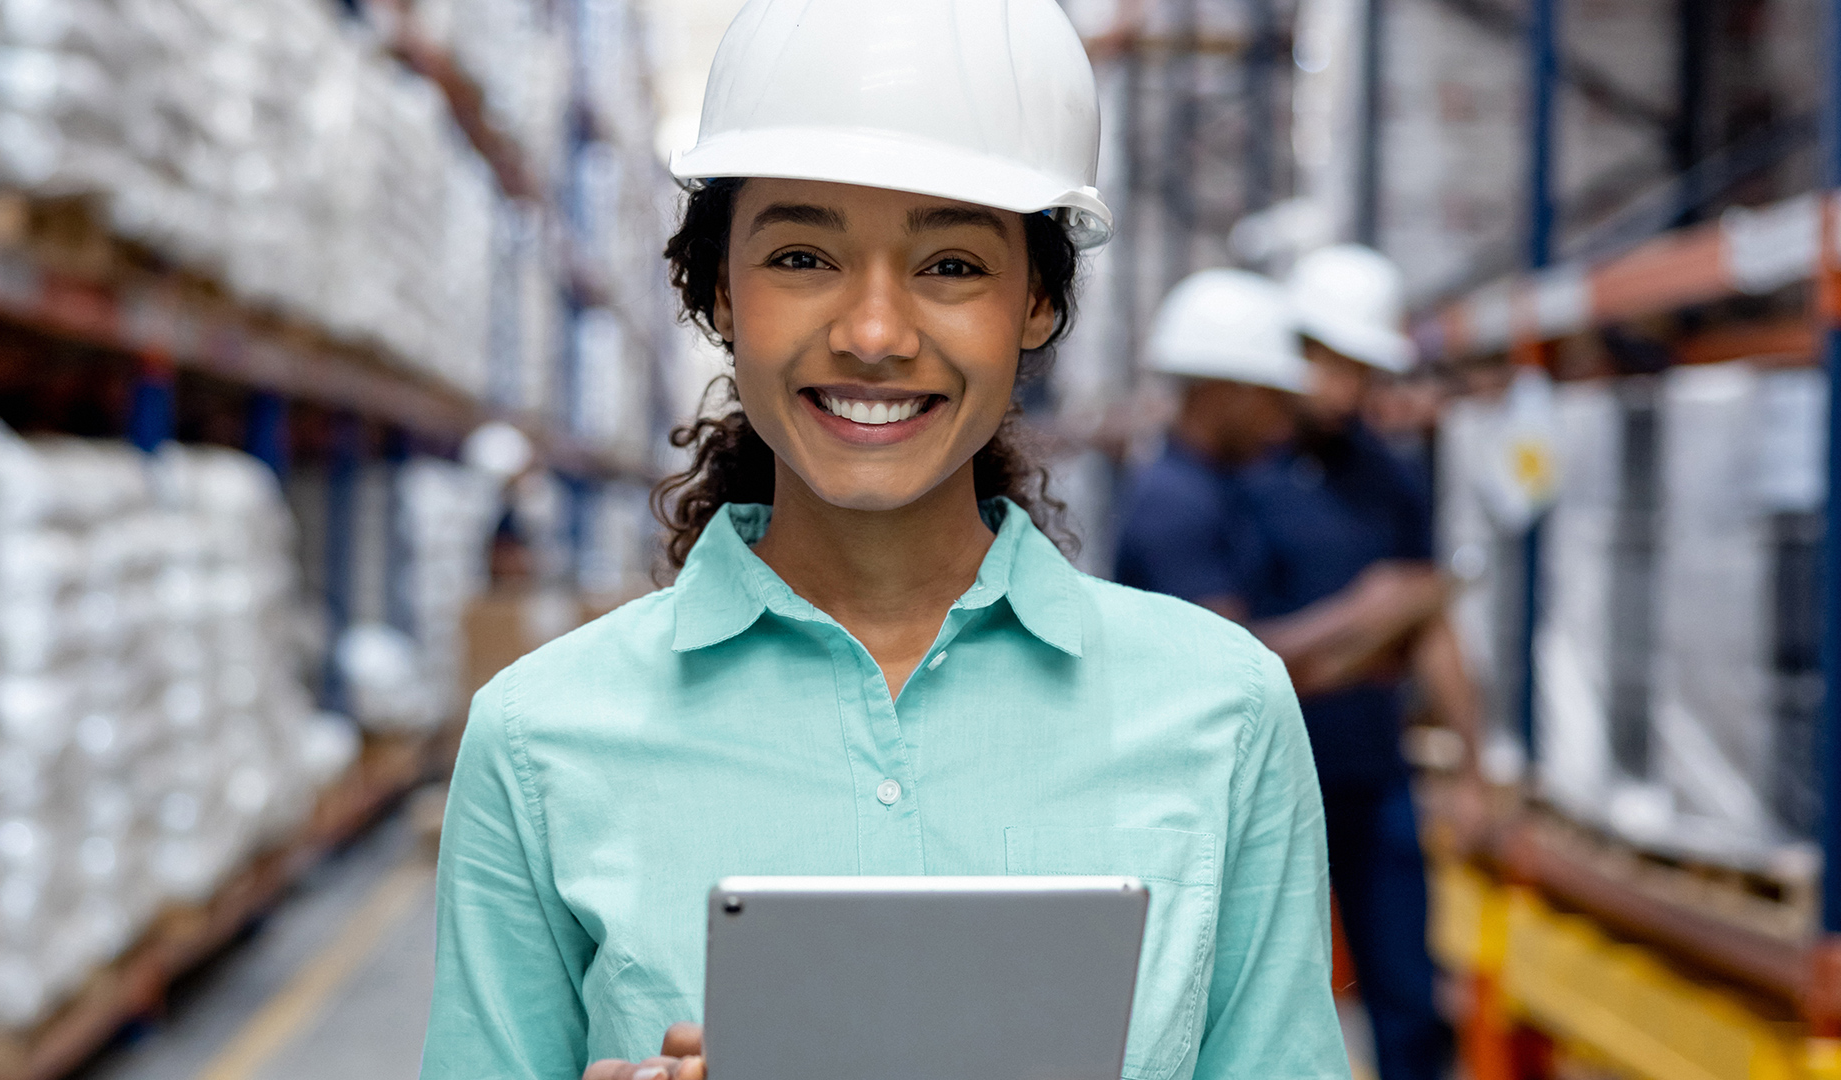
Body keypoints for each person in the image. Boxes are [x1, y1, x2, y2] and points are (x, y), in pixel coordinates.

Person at [419, 3, 1350, 1079]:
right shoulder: (540, 743)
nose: (873, 334)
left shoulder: (1223, 714)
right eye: (804, 256)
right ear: (719, 288)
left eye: (950, 264)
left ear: (1038, 298)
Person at [1237, 243, 1483, 1080]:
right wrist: (1364, 619)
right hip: (1262, 779)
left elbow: (1428, 624)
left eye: (1360, 370)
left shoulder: (1389, 479)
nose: (1344, 389)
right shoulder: (1237, 472)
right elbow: (1226, 646)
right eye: (1329, 365)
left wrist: (1476, 769)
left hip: (1373, 777)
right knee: (1259, 1001)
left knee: (1410, 1002)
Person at [1113, 269, 1308, 619]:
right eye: (1274, 399)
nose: (1282, 426)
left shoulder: (1220, 483)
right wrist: (1373, 609)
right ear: (1228, 392)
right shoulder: (1171, 505)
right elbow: (1228, 660)